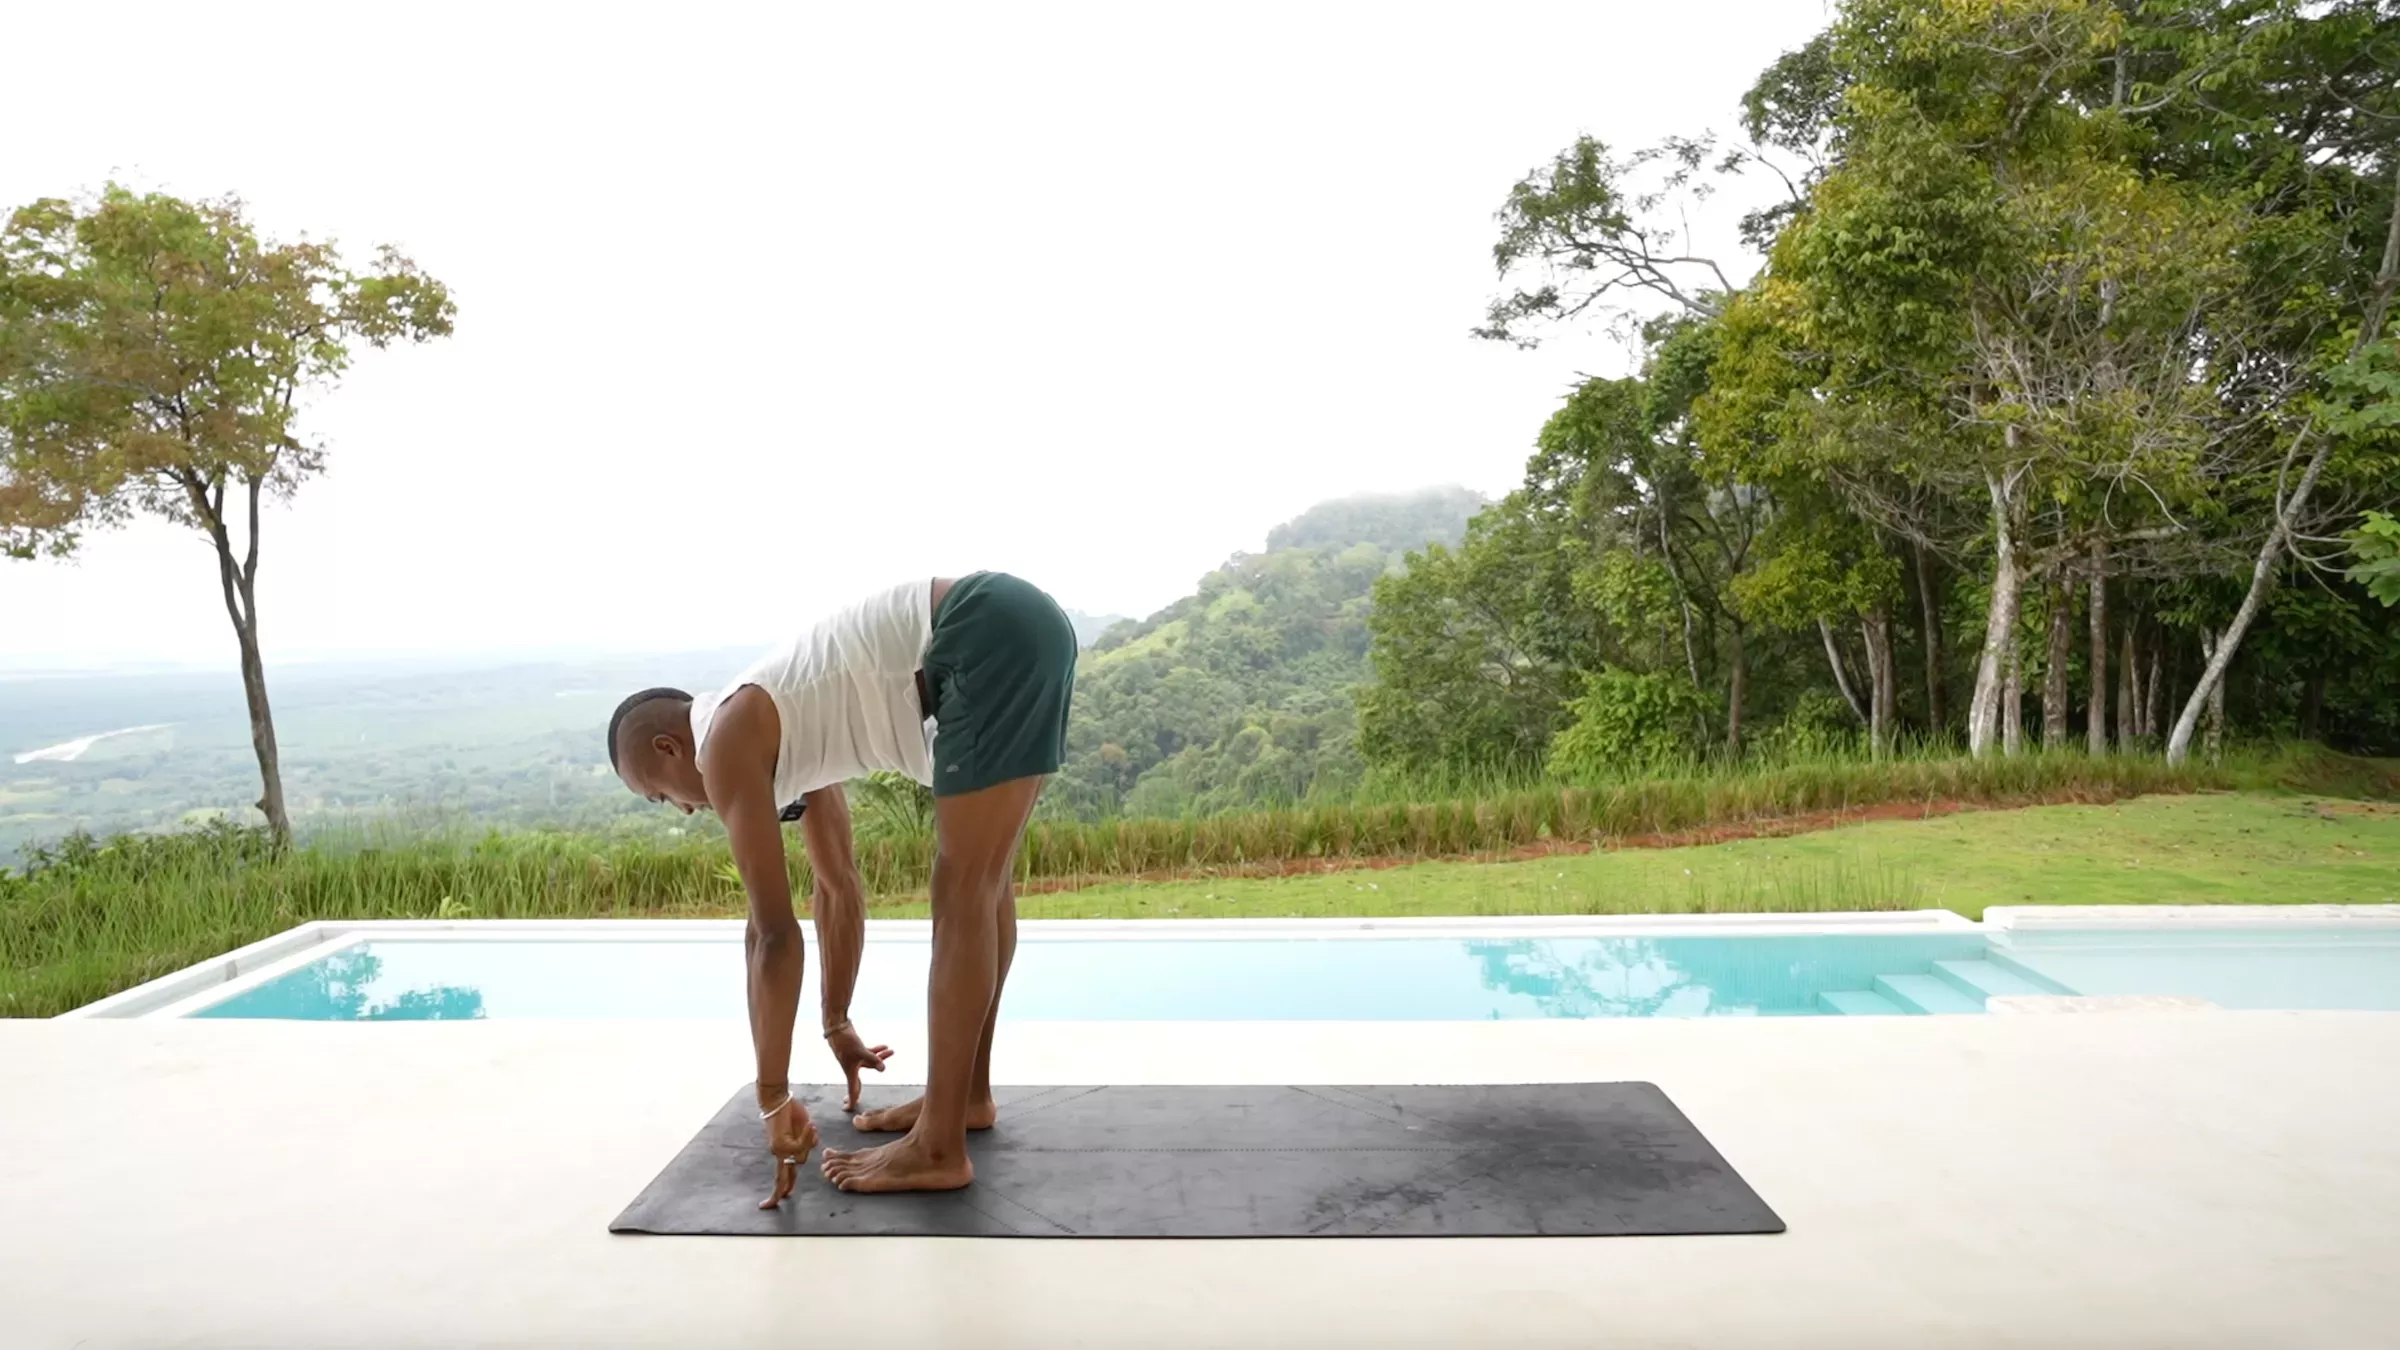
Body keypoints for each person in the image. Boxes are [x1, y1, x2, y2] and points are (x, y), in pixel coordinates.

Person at [607, 572, 1076, 1202]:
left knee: (964, 885)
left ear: (668, 748)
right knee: (984, 886)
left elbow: (770, 935)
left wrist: (772, 1098)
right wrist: (836, 1023)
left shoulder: (725, 743)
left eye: (658, 794)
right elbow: (837, 887)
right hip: (1018, 625)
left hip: (982, 632)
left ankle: (938, 1147)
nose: (681, 809)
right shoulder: (775, 728)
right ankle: (964, 1099)